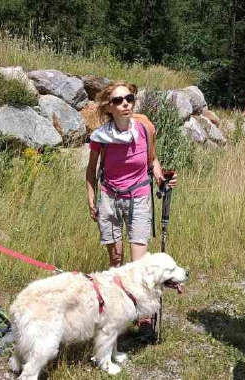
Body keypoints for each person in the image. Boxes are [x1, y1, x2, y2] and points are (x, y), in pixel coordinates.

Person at [85, 80, 177, 340]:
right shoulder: (100, 137)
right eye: (118, 100)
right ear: (109, 107)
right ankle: (117, 312)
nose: (125, 104)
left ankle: (145, 319)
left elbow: (151, 159)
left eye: (129, 99)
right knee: (115, 261)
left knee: (138, 263)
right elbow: (92, 170)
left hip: (138, 196)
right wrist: (91, 196)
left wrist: (161, 178)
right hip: (109, 197)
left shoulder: (145, 128)